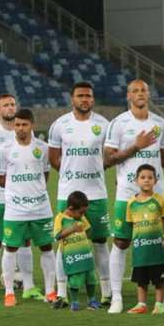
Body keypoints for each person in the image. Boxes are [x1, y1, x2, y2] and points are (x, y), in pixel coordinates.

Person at [104, 79, 164, 314]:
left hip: (156, 196)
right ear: (128, 96)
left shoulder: (161, 123)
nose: (140, 93)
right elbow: (108, 159)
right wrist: (136, 146)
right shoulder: (118, 123)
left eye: (144, 90)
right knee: (122, 242)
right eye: (135, 90)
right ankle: (117, 297)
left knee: (159, 241)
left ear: (149, 94)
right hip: (126, 194)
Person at [48, 81, 111, 308]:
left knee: (100, 242)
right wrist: (70, 174)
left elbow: (110, 155)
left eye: (88, 96)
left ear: (93, 99)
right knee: (65, 242)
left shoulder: (104, 124)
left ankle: (106, 293)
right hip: (68, 193)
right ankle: (62, 294)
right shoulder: (60, 125)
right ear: (72, 99)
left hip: (96, 193)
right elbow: (54, 158)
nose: (84, 99)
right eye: (80, 96)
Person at [0, 94, 37, 303]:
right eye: (5, 105)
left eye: (12, 104)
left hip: (22, 196)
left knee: (24, 240)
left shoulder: (23, 132)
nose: (10, 108)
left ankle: (29, 286)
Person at [0, 109, 55, 307]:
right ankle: (10, 292)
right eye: (17, 125)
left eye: (24, 125)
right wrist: (18, 192)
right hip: (15, 209)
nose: (20, 129)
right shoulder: (4, 149)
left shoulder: (43, 148)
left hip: (41, 207)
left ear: (32, 125)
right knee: (11, 248)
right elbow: (0, 177)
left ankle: (50, 291)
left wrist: (34, 190)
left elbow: (45, 173)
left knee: (47, 247)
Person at [125, 164, 164, 315]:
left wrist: (161, 237)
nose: (146, 181)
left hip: (156, 248)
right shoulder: (131, 203)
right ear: (136, 180)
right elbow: (131, 224)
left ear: (155, 180)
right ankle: (141, 304)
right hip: (140, 248)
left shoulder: (160, 200)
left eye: (150, 178)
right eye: (143, 177)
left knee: (159, 279)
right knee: (141, 278)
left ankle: (159, 304)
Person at [53, 190, 101, 311]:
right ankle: (75, 302)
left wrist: (86, 232)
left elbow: (88, 230)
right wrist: (72, 229)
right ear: (70, 208)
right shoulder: (60, 218)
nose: (82, 215)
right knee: (74, 279)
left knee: (91, 278)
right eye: (81, 212)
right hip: (71, 256)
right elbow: (57, 236)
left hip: (85, 253)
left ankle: (92, 300)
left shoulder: (81, 218)